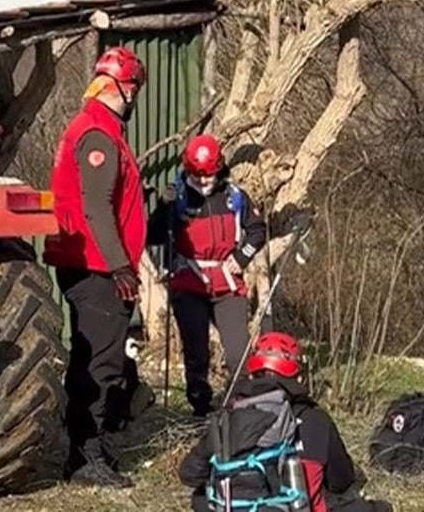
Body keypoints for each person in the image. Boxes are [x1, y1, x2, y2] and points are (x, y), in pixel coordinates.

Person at [43, 46, 148, 488]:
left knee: (100, 358)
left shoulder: (98, 128)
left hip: (95, 263)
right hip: (95, 267)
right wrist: (121, 267)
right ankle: (85, 457)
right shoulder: (98, 135)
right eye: (134, 88)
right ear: (121, 88)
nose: (136, 96)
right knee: (100, 363)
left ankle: (94, 445)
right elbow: (96, 209)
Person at [178, 332, 394, 512]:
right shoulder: (316, 419)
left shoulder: (227, 417)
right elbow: (341, 480)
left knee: (200, 496)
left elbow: (188, 474)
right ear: (298, 377)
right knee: (375, 508)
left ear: (252, 374)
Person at [148, 133, 267, 417]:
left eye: (209, 175)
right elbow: (153, 236)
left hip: (227, 281)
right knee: (196, 352)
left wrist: (241, 257)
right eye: (197, 176)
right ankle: (200, 409)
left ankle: (240, 407)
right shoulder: (176, 196)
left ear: (220, 169)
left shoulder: (235, 197)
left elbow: (257, 230)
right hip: (189, 281)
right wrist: (163, 208)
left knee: (239, 350)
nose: (203, 182)